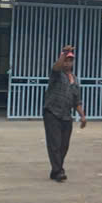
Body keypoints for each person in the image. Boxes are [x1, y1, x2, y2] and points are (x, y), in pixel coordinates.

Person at [42, 45, 86, 181]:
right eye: (66, 60)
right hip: (52, 113)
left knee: (64, 145)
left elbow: (77, 101)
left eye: (70, 60)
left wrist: (82, 116)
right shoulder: (57, 74)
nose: (67, 63)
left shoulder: (75, 80)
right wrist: (64, 53)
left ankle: (55, 170)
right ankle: (58, 171)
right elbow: (56, 67)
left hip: (66, 115)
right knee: (55, 143)